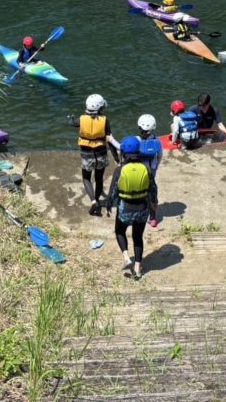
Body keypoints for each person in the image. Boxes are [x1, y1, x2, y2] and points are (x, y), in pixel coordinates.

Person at [107, 136, 158, 281]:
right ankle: (137, 269)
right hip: (142, 209)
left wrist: (109, 206)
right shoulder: (146, 169)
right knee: (137, 237)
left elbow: (113, 191)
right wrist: (154, 203)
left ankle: (126, 257)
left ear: (123, 153)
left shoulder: (120, 170)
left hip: (125, 210)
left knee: (119, 231)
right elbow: (153, 189)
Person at [69, 94, 121, 216]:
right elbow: (110, 140)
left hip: (87, 155)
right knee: (99, 178)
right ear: (100, 108)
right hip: (101, 154)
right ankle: (97, 199)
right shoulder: (104, 121)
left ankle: (93, 201)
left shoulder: (81, 120)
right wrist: (116, 158)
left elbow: (71, 123)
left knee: (86, 178)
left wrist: (70, 118)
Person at [136, 114, 163, 227]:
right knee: (151, 190)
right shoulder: (157, 140)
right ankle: (152, 218)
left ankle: (139, 212)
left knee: (140, 191)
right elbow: (160, 155)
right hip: (152, 170)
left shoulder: (137, 140)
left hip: (140, 170)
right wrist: (156, 166)